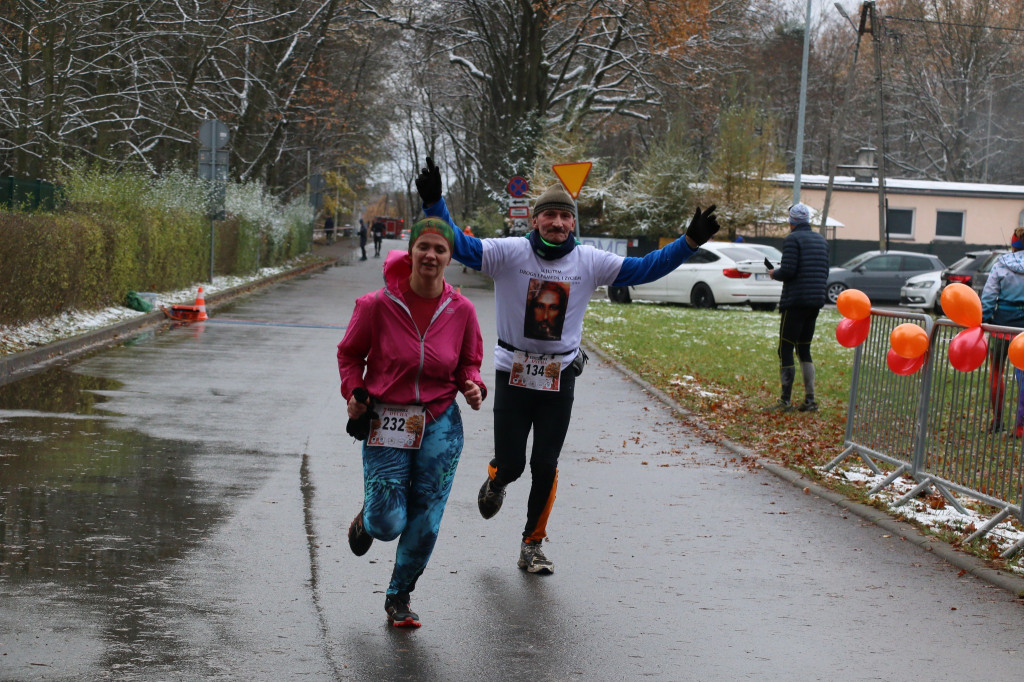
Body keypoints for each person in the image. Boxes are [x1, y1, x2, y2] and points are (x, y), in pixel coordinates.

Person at [414, 156, 719, 574]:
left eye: (564, 216)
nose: (557, 222)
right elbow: (462, 247)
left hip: (560, 376)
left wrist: (689, 242)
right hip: (513, 372)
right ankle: (498, 478)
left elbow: (645, 268)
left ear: (573, 223)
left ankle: (532, 544)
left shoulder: (589, 262)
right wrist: (435, 204)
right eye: (549, 215)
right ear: (535, 220)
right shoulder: (510, 253)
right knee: (513, 463)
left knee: (545, 464)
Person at [337, 217, 486, 627]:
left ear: (450, 257)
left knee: (426, 514)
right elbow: (349, 354)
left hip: (440, 421)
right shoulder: (376, 305)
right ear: (411, 251)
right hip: (387, 418)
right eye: (424, 247)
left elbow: (469, 362)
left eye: (440, 249)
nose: (431, 256)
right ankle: (368, 519)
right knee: (388, 523)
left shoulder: (462, 310)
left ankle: (399, 595)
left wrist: (473, 385)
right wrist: (354, 391)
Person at [766, 202, 830, 412]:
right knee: (804, 349)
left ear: (791, 221)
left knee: (785, 348)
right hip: (815, 301)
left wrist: (774, 273)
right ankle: (810, 400)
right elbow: (824, 271)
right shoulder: (821, 240)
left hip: (795, 301)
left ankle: (785, 400)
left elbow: (788, 271)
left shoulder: (792, 239)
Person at [980, 227, 1024, 436]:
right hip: (1023, 330)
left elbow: (988, 298)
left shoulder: (1001, 265)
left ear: (1013, 245)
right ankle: (1020, 425)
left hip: (1001, 327)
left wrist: (986, 318)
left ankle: (997, 420)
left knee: (997, 371)